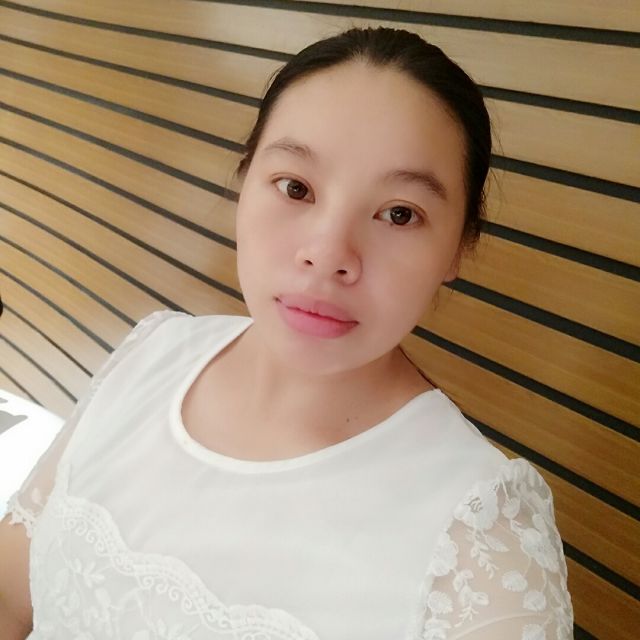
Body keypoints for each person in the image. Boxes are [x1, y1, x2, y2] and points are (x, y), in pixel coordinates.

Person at [0, 27, 573, 639]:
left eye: (399, 213)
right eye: (296, 187)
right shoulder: (153, 354)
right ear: (245, 180)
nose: (328, 255)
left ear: (459, 247)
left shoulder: (482, 548)